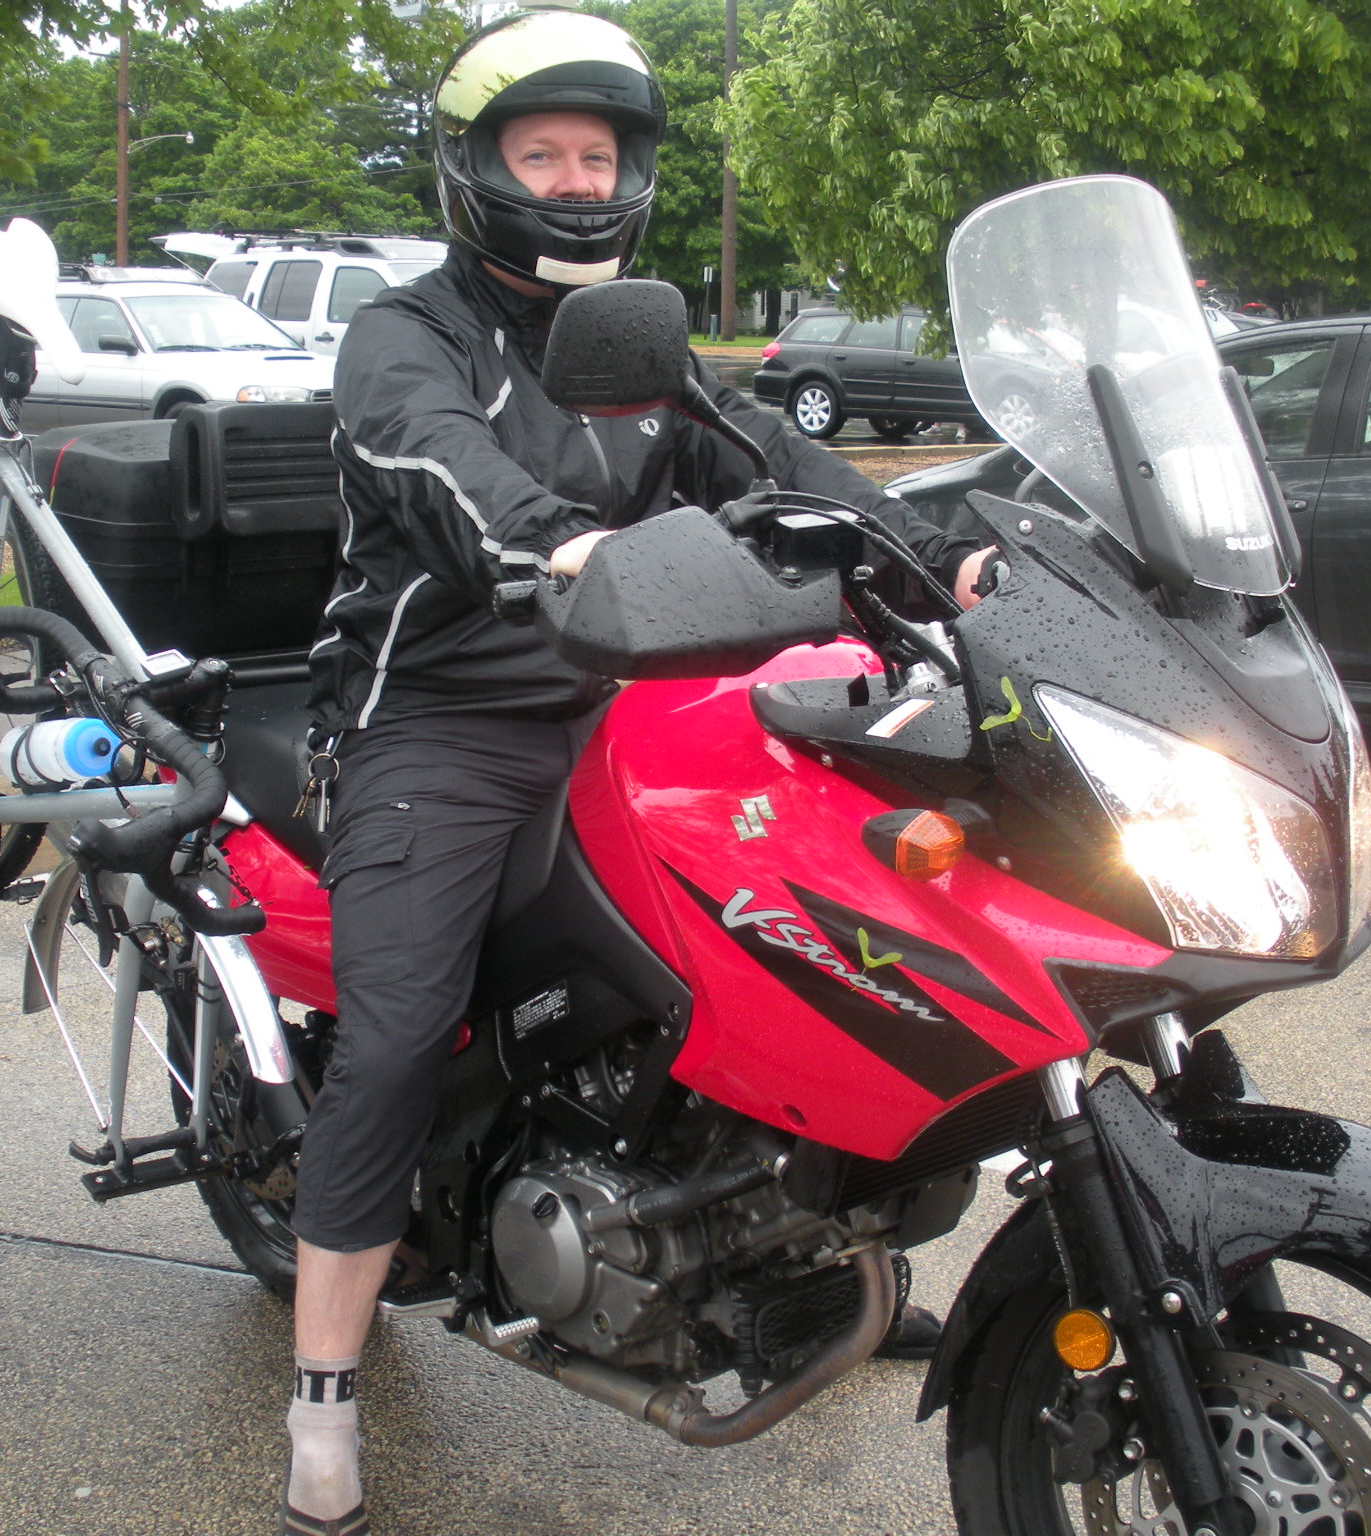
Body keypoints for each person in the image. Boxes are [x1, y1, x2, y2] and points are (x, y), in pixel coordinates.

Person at [278, 12, 991, 1533]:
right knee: (398, 1035)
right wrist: (568, 543)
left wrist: (952, 551)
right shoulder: (407, 333)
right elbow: (435, 466)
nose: (576, 180)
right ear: (478, 170)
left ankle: (808, 1262)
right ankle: (326, 1382)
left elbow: (788, 475)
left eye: (598, 153)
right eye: (542, 152)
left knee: (822, 926)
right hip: (442, 721)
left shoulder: (643, 345)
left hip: (634, 704)